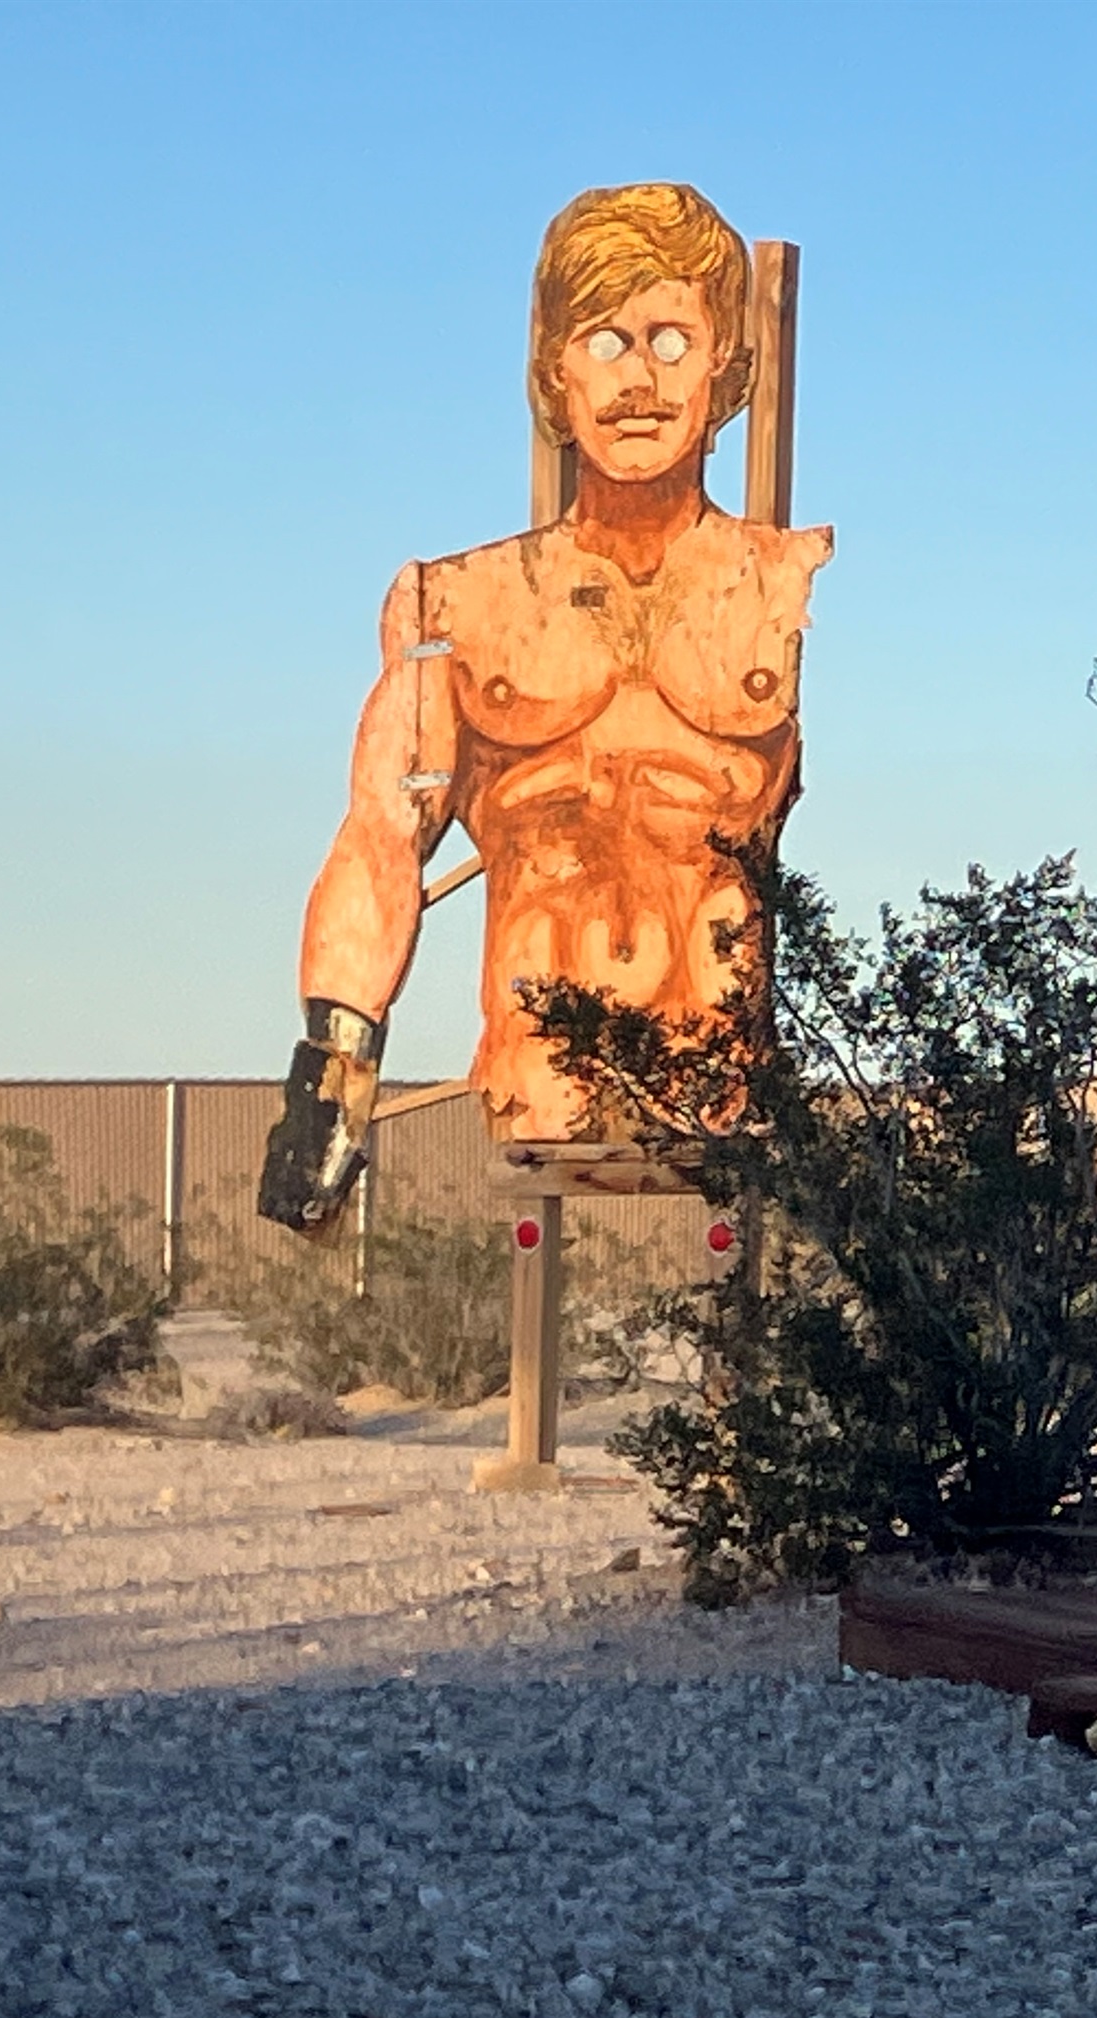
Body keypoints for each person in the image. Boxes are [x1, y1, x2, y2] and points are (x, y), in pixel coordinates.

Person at [258, 182, 829, 1232]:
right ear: (553, 371)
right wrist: (332, 1072)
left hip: (714, 1088)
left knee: (736, 1366)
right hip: (537, 1079)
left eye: (670, 336)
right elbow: (383, 838)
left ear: (727, 364)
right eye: (604, 341)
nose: (639, 378)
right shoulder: (457, 606)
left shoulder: (775, 584)